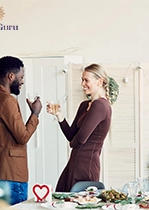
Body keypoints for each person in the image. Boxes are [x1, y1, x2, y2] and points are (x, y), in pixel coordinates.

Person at [0, 56, 42, 205]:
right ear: (11, 76)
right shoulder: (7, 100)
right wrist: (35, 114)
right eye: (21, 77)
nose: (22, 81)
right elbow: (22, 137)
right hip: (13, 175)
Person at [47, 63, 112, 192]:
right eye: (82, 80)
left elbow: (81, 138)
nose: (82, 84)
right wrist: (59, 115)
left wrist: (73, 143)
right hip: (74, 161)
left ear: (99, 82)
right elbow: (71, 135)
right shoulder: (84, 105)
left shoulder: (100, 105)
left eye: (86, 80)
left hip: (86, 165)